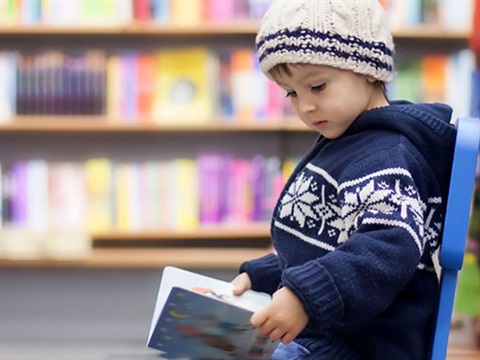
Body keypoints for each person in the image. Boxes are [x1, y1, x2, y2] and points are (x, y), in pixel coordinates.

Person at [230, 0, 457, 359]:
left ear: (368, 69)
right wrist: (265, 276)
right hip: (330, 334)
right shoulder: (351, 140)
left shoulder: (384, 156)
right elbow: (332, 244)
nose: (304, 106)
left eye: (317, 86)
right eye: (291, 93)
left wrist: (304, 295)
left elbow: (388, 245)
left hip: (361, 345)